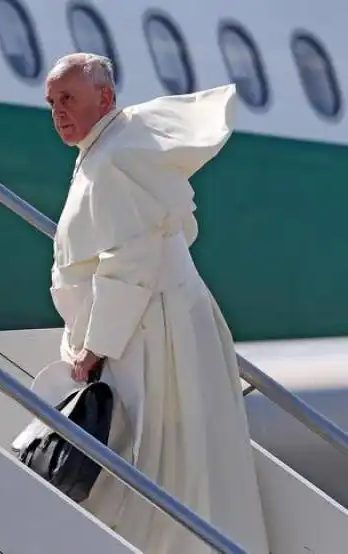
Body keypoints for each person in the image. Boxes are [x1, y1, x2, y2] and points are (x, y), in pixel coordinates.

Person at [45, 53, 271, 553]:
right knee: (178, 460)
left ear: (104, 98)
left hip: (151, 331)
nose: (57, 111)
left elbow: (131, 258)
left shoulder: (113, 157)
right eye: (51, 102)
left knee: (165, 459)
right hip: (153, 323)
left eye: (68, 99)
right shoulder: (112, 146)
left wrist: (93, 346)